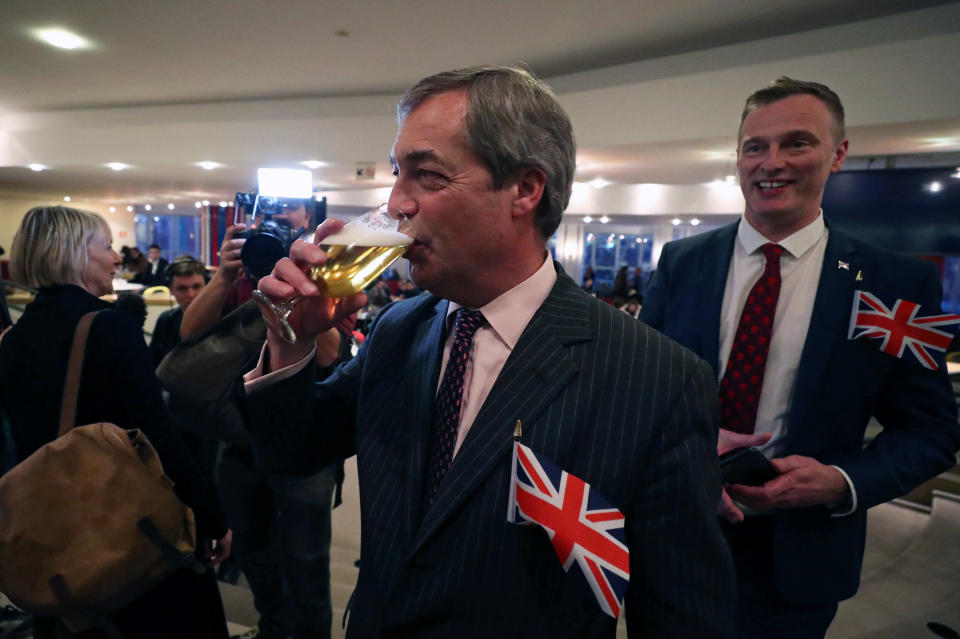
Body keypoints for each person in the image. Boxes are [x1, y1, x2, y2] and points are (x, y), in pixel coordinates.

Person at [244, 65, 734, 638]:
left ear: (525, 189)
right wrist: (289, 341)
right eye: (398, 174)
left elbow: (684, 614)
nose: (396, 203)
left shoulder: (657, 378)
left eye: (426, 176)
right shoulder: (401, 328)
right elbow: (291, 452)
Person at [639, 77, 960, 638]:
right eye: (754, 146)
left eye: (797, 143)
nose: (772, 163)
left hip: (800, 557)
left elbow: (932, 431)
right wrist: (684, 448)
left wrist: (839, 480)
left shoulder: (897, 284)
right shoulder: (680, 262)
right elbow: (637, 392)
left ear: (838, 155)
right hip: (674, 536)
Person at [0, 206, 231, 639]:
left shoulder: (12, 340)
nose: (116, 258)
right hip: (129, 534)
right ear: (73, 254)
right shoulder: (110, 328)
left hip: (55, 541)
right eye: (105, 247)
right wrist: (211, 516)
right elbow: (157, 433)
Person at [180, 197, 342, 639]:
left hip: (303, 448)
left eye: (288, 211)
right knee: (254, 552)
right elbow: (189, 338)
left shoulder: (317, 270)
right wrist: (224, 277)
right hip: (239, 442)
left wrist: (303, 295)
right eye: (269, 213)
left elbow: (331, 355)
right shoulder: (242, 271)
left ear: (306, 220)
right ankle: (272, 628)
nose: (278, 220)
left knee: (308, 565)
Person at [150, 256, 207, 366]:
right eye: (182, 288)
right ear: (171, 290)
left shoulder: (221, 318)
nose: (191, 295)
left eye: (197, 287)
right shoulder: (166, 321)